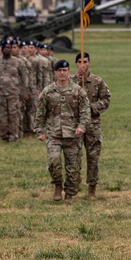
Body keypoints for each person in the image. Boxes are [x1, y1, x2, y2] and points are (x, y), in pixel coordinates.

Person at [34, 59, 90, 203]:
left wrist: (82, 126)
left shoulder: (78, 91)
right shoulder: (48, 91)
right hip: (54, 134)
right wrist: (39, 130)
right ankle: (57, 185)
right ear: (55, 73)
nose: (62, 73)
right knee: (53, 161)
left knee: (73, 168)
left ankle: (70, 193)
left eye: (65, 70)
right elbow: (40, 112)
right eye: (59, 71)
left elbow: (85, 111)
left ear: (69, 72)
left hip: (73, 135)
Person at [75, 52, 111, 200]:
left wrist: (90, 108)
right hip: (75, 124)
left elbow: (106, 100)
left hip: (93, 123)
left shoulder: (97, 81)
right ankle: (73, 185)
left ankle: (92, 188)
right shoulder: (71, 81)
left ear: (89, 63)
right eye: (79, 62)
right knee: (74, 156)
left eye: (85, 61)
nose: (82, 64)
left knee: (93, 156)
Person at [0, 39, 28, 142]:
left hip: (14, 93)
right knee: (2, 115)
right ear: (2, 49)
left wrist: (24, 91)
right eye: (5, 48)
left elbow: (24, 78)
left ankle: (13, 135)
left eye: (9, 48)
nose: (7, 50)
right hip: (1, 93)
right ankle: (4, 135)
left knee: (13, 115)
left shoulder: (18, 62)